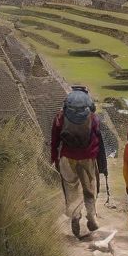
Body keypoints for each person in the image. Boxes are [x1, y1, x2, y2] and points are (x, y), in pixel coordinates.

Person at [50, 85, 107, 239]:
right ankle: (91, 216)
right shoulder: (93, 118)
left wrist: (54, 158)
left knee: (71, 189)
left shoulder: (60, 117)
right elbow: (98, 138)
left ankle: (75, 216)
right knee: (89, 188)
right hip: (88, 158)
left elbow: (54, 140)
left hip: (67, 158)